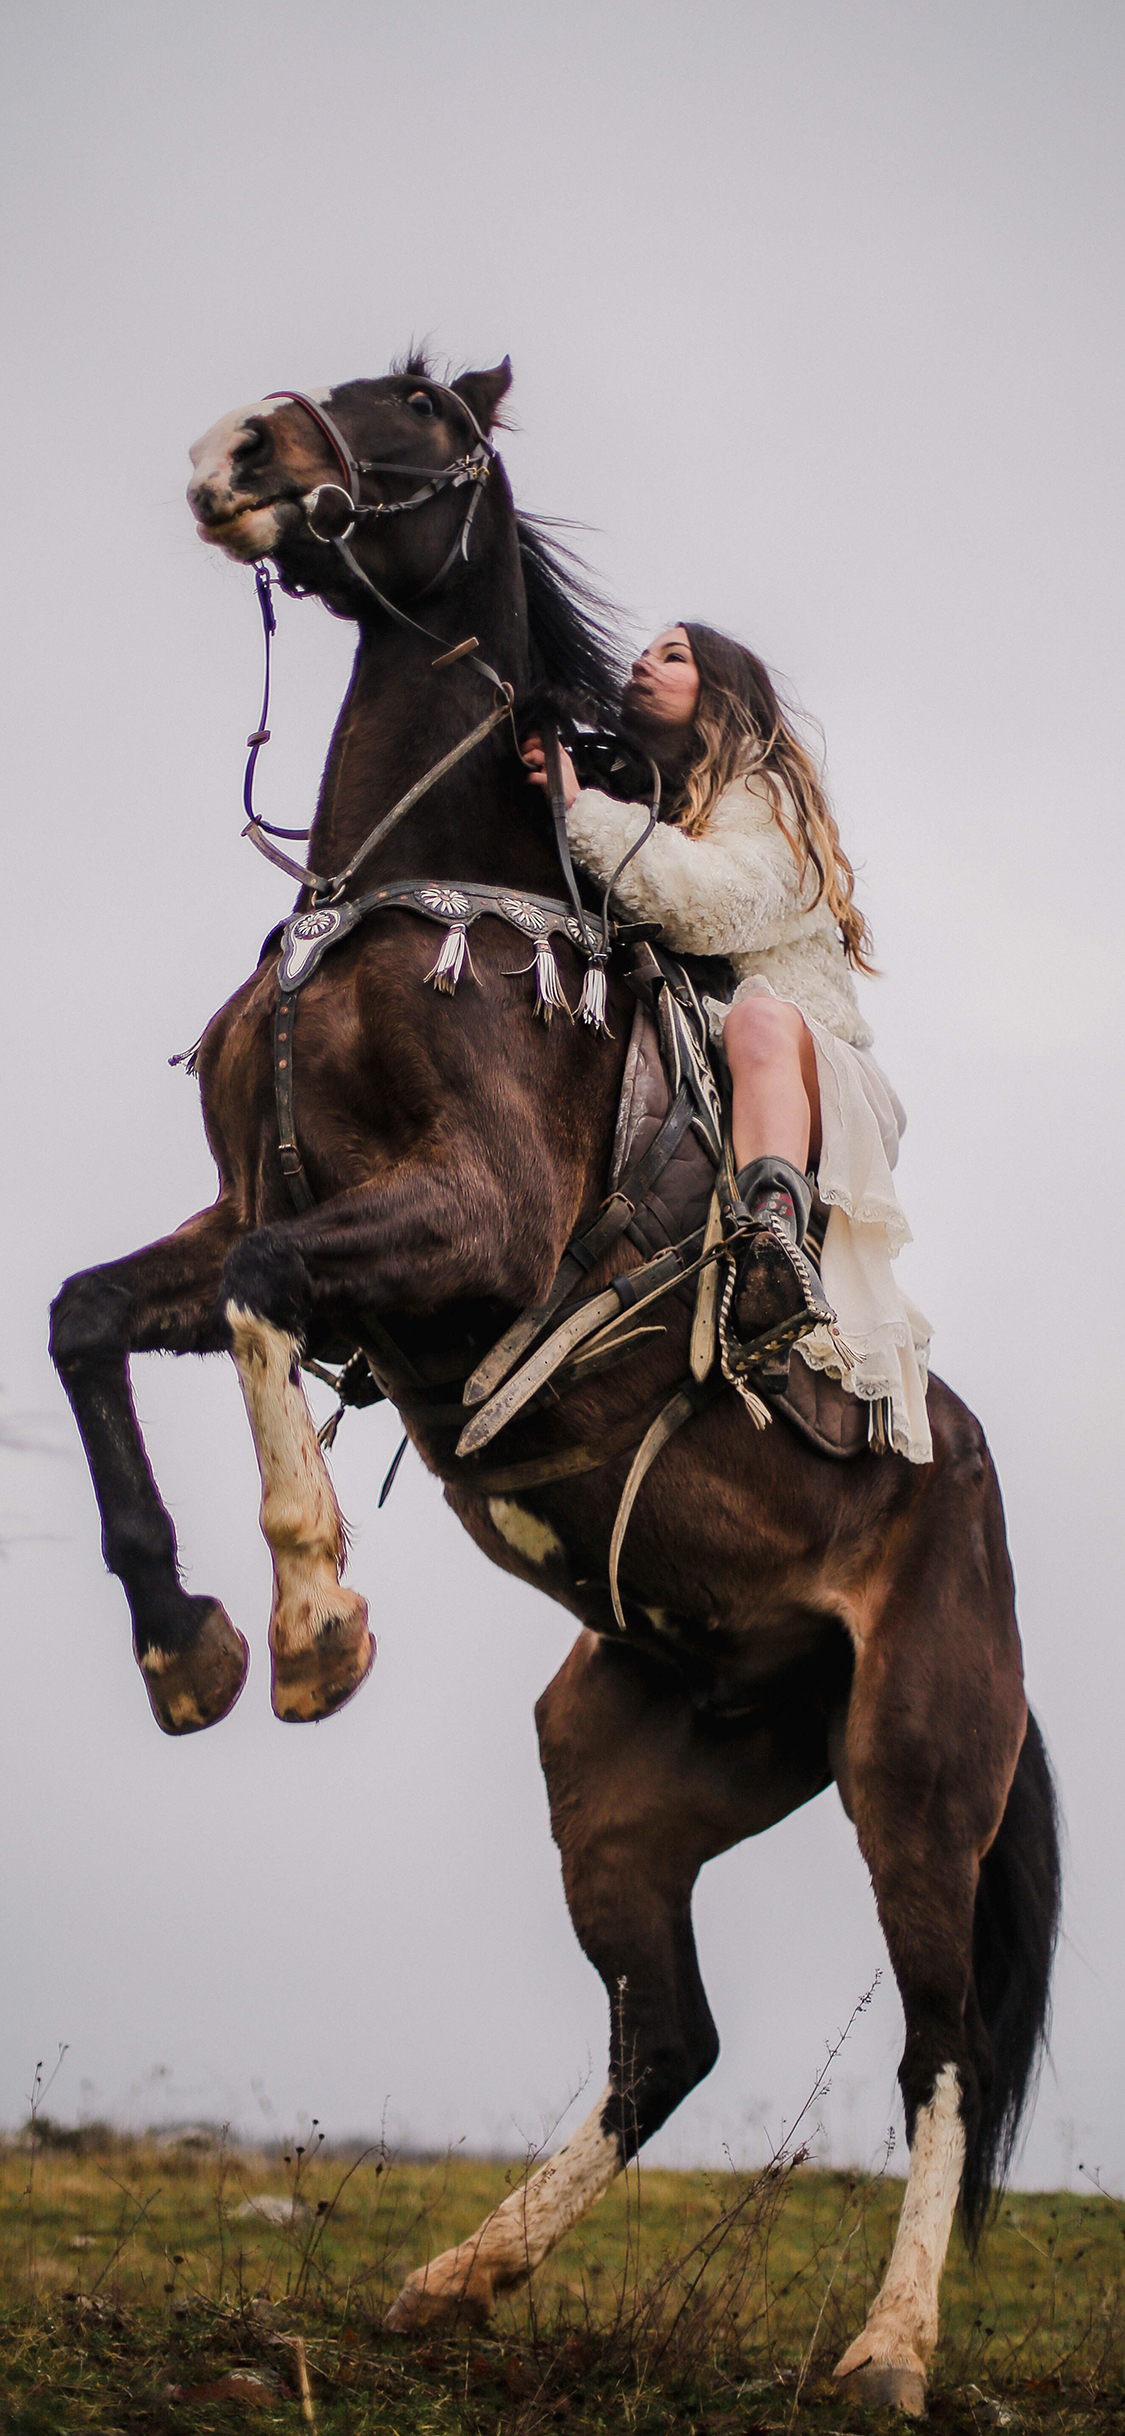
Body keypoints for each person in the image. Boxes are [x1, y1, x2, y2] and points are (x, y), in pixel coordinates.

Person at [522, 624, 932, 1464]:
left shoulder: (770, 799)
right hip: (712, 1062)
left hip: (809, 1069)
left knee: (758, 1017)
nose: (643, 661)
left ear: (723, 693)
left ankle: (768, 1241)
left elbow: (707, 907)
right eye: (646, 651)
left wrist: (579, 807)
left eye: (674, 655)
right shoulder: (653, 807)